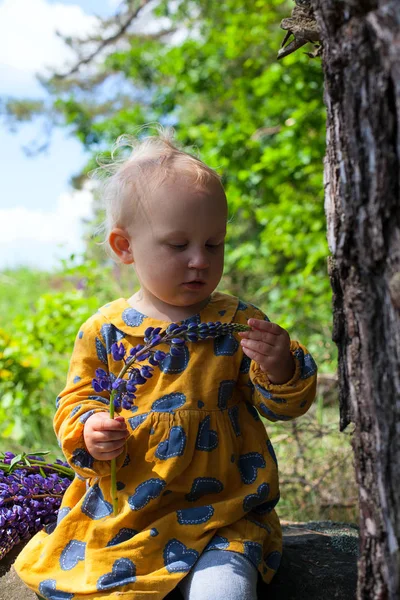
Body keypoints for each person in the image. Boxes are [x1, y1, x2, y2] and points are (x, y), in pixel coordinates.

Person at [15, 126, 317, 600]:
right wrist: (91, 427)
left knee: (225, 593)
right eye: (178, 246)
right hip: (129, 516)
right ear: (124, 247)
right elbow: (77, 399)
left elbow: (281, 405)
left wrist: (280, 367)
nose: (199, 260)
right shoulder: (107, 329)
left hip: (225, 512)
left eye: (213, 244)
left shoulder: (235, 321)